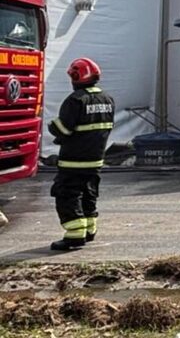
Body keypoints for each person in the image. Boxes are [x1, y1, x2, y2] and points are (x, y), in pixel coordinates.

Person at [47, 58, 114, 251]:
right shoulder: (107, 99)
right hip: (95, 159)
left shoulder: (75, 100)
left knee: (67, 194)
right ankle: (89, 230)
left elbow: (63, 129)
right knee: (89, 192)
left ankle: (74, 236)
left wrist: (53, 126)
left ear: (76, 77)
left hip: (73, 160)